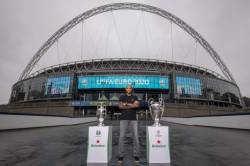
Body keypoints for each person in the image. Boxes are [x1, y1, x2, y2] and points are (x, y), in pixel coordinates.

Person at [118, 84, 140, 163]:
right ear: (125, 89)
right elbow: (120, 106)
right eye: (127, 88)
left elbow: (137, 105)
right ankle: (120, 155)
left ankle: (136, 155)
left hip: (133, 119)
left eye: (130, 88)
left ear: (131, 89)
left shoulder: (135, 97)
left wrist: (126, 104)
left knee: (136, 137)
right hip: (123, 119)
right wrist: (132, 105)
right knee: (121, 137)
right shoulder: (122, 97)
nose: (128, 89)